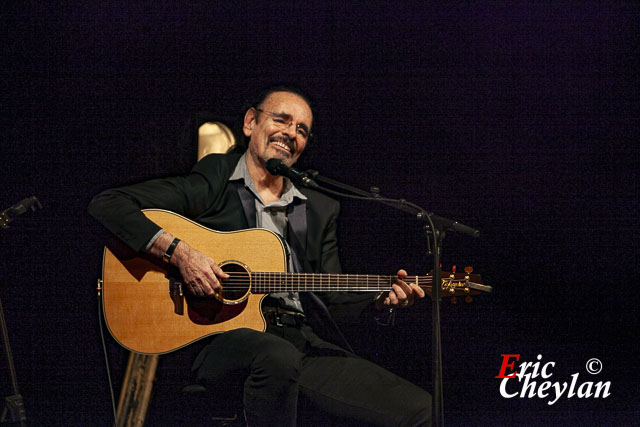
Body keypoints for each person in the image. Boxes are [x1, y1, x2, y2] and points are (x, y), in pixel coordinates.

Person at [88, 85, 431, 426]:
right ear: (251, 122)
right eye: (281, 120)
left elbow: (331, 299)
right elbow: (109, 204)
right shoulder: (215, 178)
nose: (290, 133)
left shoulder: (319, 209)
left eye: (301, 130)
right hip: (218, 336)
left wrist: (379, 303)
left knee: (423, 410)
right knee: (276, 356)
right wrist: (181, 253)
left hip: (299, 341)